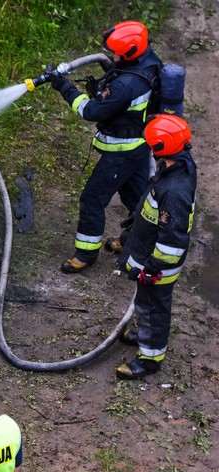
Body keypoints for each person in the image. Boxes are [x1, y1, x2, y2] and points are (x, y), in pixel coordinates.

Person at [48, 20, 162, 273]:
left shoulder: (125, 86)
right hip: (140, 144)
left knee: (92, 199)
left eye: (116, 52)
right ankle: (136, 241)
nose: (113, 55)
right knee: (136, 198)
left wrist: (63, 86)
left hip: (122, 151)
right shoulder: (149, 62)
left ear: (130, 52)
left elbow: (89, 110)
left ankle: (85, 254)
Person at [116, 114, 197, 379]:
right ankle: (144, 333)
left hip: (159, 264)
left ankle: (149, 359)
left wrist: (153, 269)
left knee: (153, 308)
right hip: (151, 254)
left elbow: (172, 242)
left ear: (159, 147)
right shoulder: (176, 164)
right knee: (145, 303)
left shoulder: (175, 191)